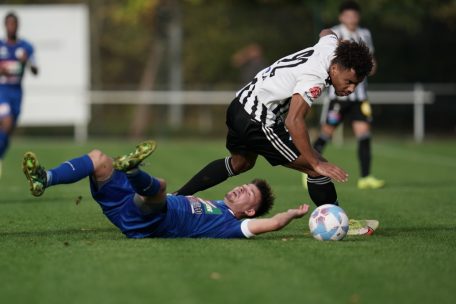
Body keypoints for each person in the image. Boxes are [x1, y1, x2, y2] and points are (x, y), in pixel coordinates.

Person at [174, 28, 378, 234]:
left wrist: (347, 47)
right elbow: (294, 120)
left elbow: (327, 32)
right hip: (258, 120)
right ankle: (339, 222)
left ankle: (175, 197)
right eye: (349, 81)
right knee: (317, 169)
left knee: (240, 163)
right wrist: (315, 162)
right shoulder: (315, 76)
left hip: (239, 106)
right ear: (334, 68)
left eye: (356, 84)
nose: (351, 89)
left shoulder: (331, 48)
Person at [22, 140, 311, 239]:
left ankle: (133, 169)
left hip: (147, 220)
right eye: (243, 185)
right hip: (131, 204)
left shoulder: (230, 225)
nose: (239, 189)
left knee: (159, 188)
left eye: (247, 193)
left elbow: (270, 224)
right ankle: (44, 178)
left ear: (248, 212)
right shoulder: (215, 205)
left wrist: (291, 215)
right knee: (98, 158)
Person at [308, 1, 384, 190]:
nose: (352, 19)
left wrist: (371, 66)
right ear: (342, 17)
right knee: (326, 133)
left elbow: (371, 60)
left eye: (355, 15)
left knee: (364, 134)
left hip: (359, 97)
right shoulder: (334, 33)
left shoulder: (365, 34)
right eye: (348, 15)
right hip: (338, 97)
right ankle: (310, 169)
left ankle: (365, 177)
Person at [0, 12, 38, 178]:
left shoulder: (27, 47)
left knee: (8, 131)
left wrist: (27, 61)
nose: (11, 27)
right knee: (6, 122)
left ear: (17, 26)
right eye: (8, 24)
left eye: (13, 24)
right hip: (2, 90)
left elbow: (36, 70)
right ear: (4, 26)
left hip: (17, 92)